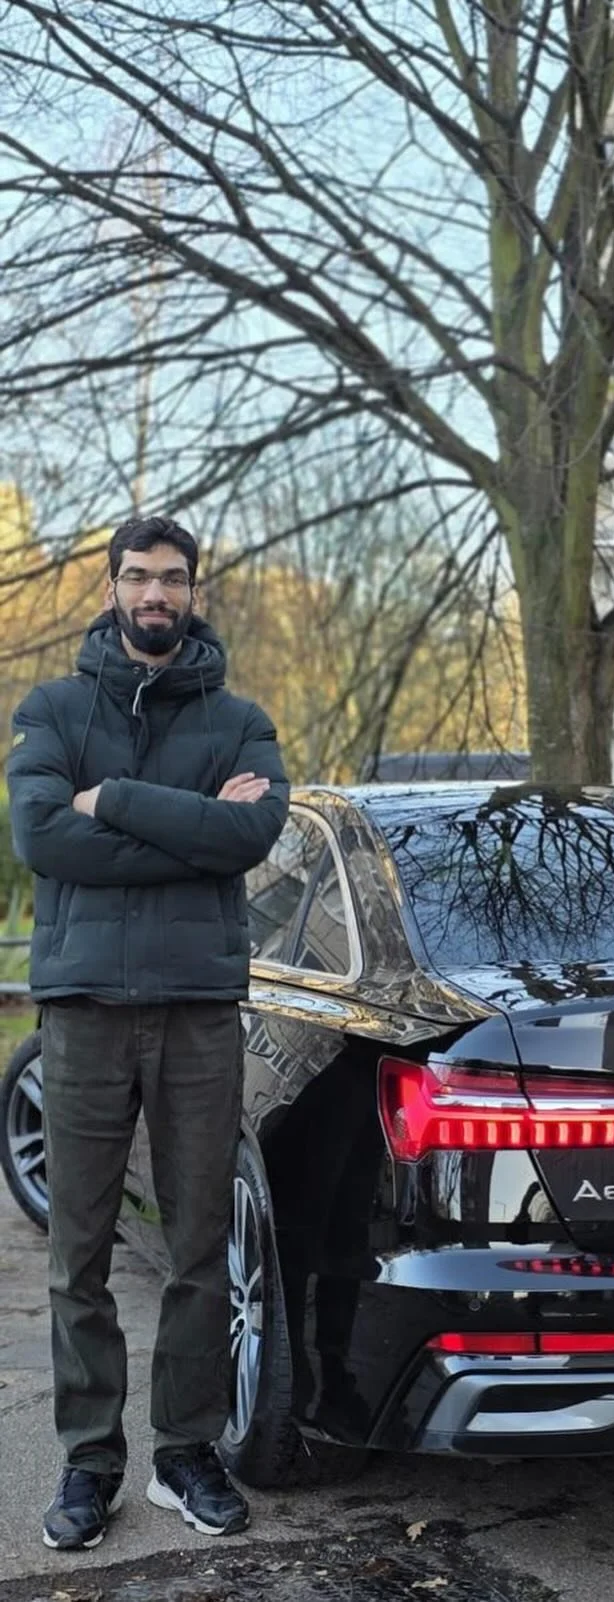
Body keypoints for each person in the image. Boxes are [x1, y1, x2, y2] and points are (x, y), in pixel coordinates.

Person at [6, 514, 289, 1552]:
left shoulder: (242, 721)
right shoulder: (52, 708)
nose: (154, 595)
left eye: (171, 578)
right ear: (114, 586)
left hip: (197, 1014)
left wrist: (117, 800)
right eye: (137, 577)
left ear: (192, 588)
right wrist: (188, 827)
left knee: (196, 1244)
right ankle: (89, 1465)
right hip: (82, 1016)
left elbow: (251, 835)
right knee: (77, 1251)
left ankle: (184, 1452)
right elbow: (41, 835)